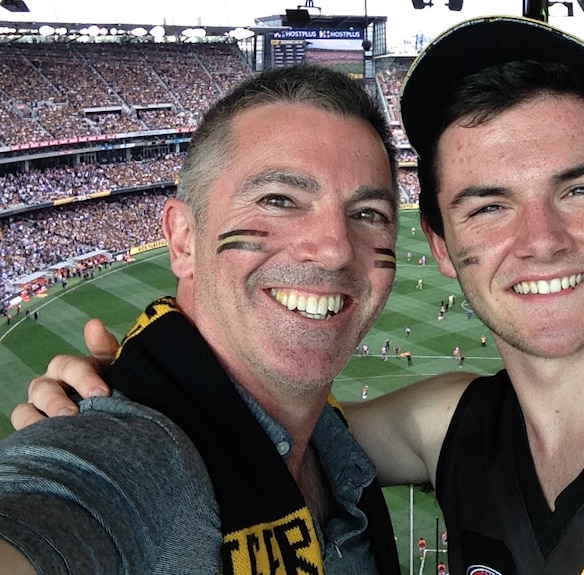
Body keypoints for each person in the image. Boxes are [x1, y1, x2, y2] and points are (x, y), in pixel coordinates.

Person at [15, 16, 584, 575]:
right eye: (487, 204)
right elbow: (250, 427)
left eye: (579, 189)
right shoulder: (453, 425)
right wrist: (122, 396)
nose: (538, 240)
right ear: (441, 246)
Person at [0, 65, 401, 574]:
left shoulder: (331, 438)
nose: (334, 250)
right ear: (184, 239)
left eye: (368, 213)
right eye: (278, 200)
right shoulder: (132, 456)